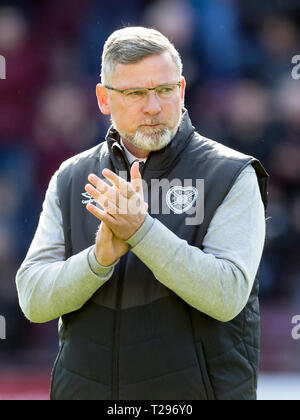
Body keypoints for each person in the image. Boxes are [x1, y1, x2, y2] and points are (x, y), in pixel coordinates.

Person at [16, 27, 269, 400]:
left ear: (181, 91)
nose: (153, 106)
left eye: (164, 90)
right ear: (104, 99)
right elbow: (33, 300)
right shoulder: (71, 177)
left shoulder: (231, 174)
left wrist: (142, 231)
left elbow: (227, 295)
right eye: (135, 93)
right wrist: (99, 260)